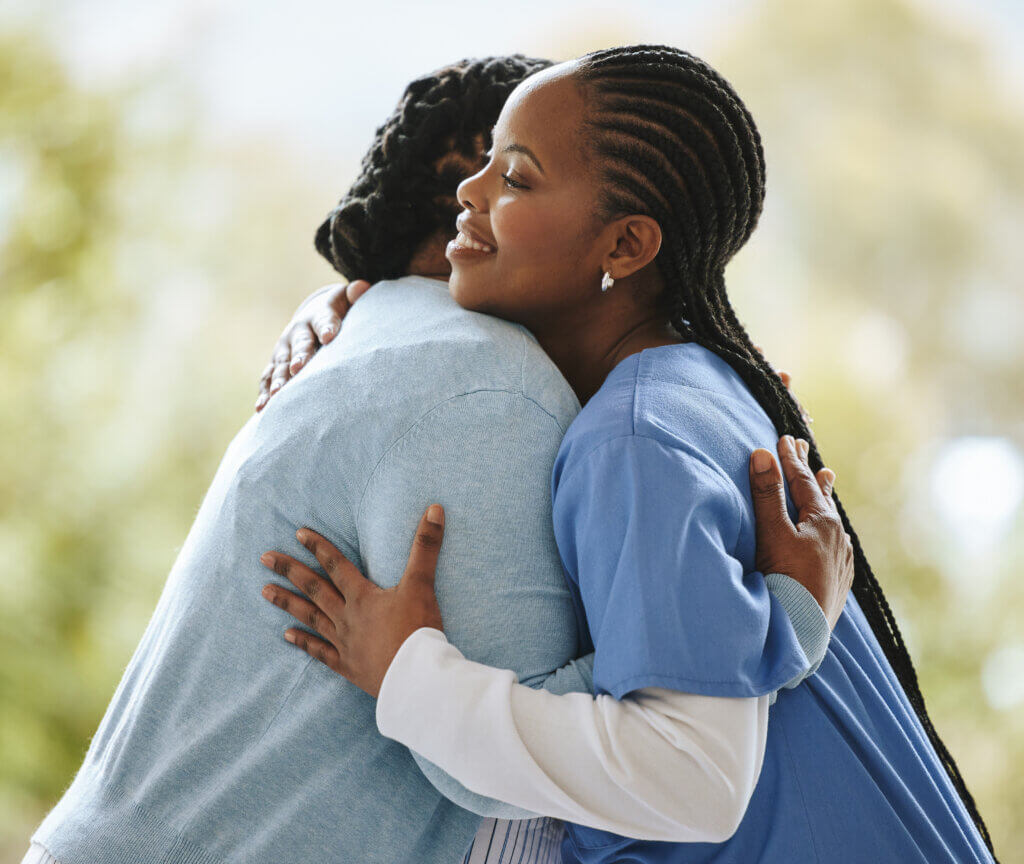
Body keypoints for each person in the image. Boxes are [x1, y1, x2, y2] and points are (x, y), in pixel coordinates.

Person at [24, 56, 844, 864]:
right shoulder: (483, 385)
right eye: (489, 165)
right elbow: (574, 772)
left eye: (517, 175)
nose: (475, 195)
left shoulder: (404, 341)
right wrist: (757, 621)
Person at [261, 46, 998, 863]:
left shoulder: (633, 440)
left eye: (516, 177)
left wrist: (407, 674)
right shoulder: (691, 384)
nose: (469, 194)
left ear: (624, 247)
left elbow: (694, 781)